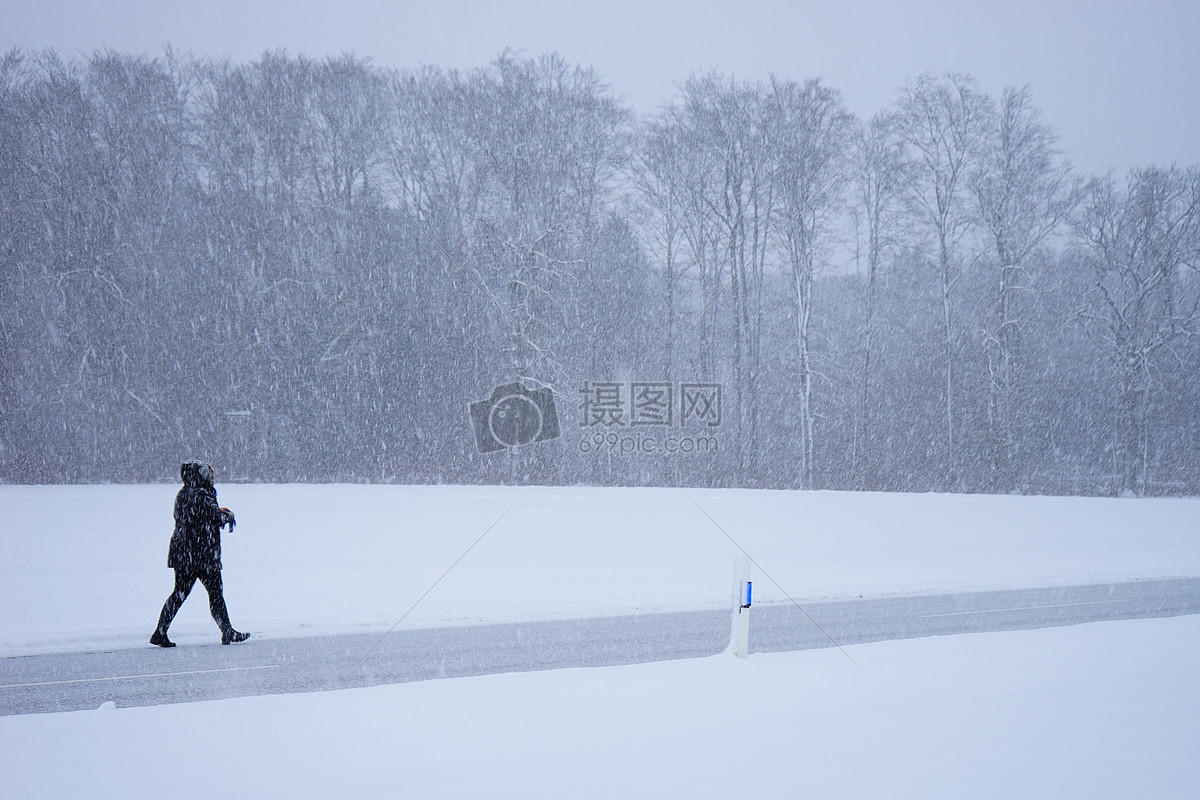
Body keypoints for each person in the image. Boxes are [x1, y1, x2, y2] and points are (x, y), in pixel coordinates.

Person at [151, 461, 250, 647]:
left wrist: (215, 512)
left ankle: (160, 631)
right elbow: (214, 518)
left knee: (179, 593)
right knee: (215, 594)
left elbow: (196, 517)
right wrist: (228, 515)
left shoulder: (183, 494)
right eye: (206, 473)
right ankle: (227, 631)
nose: (209, 476)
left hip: (183, 552)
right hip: (202, 554)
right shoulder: (202, 495)